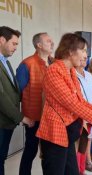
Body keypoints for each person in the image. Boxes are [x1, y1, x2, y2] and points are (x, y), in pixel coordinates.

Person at [36, 33, 92, 175]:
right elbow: (72, 103)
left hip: (67, 134)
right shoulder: (54, 71)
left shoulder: (70, 71)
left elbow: (81, 101)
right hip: (55, 134)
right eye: (83, 50)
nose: (86, 55)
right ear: (70, 51)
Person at [16, 32, 54, 175]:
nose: (52, 42)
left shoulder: (55, 63)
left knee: (49, 153)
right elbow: (16, 93)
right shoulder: (27, 64)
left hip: (52, 117)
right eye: (48, 41)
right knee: (31, 150)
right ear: (39, 45)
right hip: (34, 118)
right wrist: (22, 117)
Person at [0, 26, 33, 175]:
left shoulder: (5, 62)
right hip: (1, 122)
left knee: (1, 158)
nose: (15, 47)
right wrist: (21, 117)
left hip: (7, 122)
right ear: (2, 40)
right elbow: (1, 97)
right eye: (14, 43)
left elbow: (13, 91)